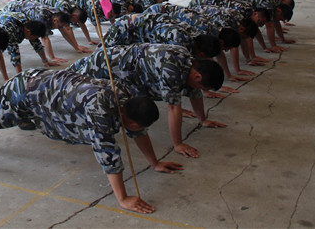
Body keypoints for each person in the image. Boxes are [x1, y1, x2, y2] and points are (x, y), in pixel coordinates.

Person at [0, 68, 181, 214]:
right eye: (138, 128)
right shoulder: (102, 109)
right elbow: (108, 155)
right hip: (25, 92)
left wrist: (155, 162)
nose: (138, 132)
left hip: (42, 92)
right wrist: (123, 199)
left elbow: (137, 132)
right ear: (132, 121)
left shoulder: (127, 99)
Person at [67, 44, 226, 158]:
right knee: (71, 87)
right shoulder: (172, 69)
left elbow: (194, 91)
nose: (200, 89)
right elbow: (173, 107)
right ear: (198, 77)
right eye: (204, 86)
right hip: (106, 64)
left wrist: (203, 120)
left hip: (129, 72)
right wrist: (178, 144)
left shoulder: (189, 63)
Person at [3, 0, 92, 61]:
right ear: (55, 20)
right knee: (19, 33)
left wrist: (77, 48)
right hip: (13, 7)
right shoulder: (42, 17)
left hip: (25, 5)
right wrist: (52, 58)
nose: (58, 28)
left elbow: (64, 32)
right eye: (58, 26)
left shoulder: (57, 15)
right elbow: (44, 38)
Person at [103, 12, 221, 59]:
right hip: (127, 26)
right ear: (201, 53)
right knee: (103, 55)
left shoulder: (191, 36)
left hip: (140, 31)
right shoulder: (178, 43)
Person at [0, 9, 62, 76]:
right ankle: (4, 76)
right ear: (28, 31)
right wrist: (20, 75)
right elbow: (13, 51)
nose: (34, 39)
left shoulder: (29, 25)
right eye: (34, 37)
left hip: (2, 19)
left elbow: (36, 43)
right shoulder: (10, 27)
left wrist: (45, 61)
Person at [29, 0, 98, 45]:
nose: (76, 23)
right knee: (43, 29)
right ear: (73, 16)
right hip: (36, 0)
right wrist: (77, 46)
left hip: (48, 1)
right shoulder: (64, 9)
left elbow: (82, 24)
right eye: (76, 22)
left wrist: (89, 40)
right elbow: (67, 28)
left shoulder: (76, 9)